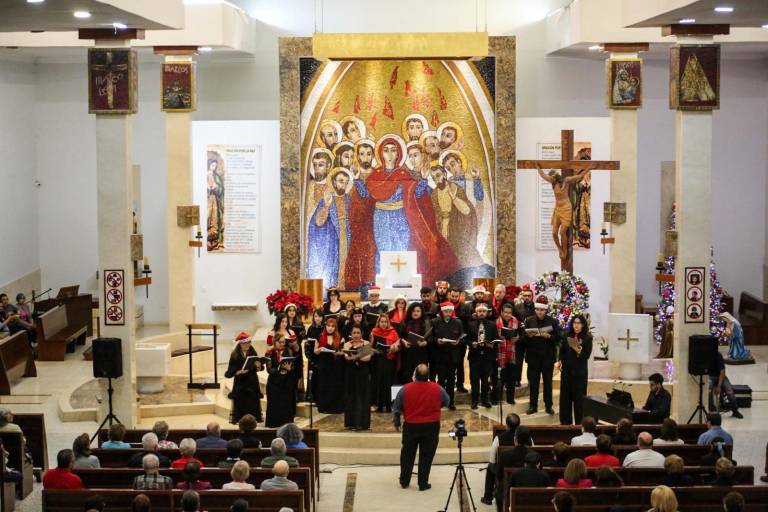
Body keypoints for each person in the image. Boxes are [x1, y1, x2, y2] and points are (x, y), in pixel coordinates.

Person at [392, 364, 449, 491]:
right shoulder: (437, 388)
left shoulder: (405, 389)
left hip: (411, 426)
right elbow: (447, 401)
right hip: (432, 426)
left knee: (407, 454)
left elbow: (397, 408)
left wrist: (397, 422)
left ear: (415, 375)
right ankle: (423, 483)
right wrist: (435, 407)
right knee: (427, 455)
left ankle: (404, 481)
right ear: (428, 376)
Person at [523, 296, 560, 415]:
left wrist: (550, 337)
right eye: (538, 309)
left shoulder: (553, 321)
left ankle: (548, 406)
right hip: (533, 356)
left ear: (546, 310)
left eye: (542, 310)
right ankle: (533, 406)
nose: (539, 312)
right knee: (533, 383)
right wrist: (528, 336)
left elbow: (559, 337)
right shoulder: (529, 320)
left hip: (547, 357)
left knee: (548, 383)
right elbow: (524, 339)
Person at [429, 301, 465, 410]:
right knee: (440, 380)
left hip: (452, 356)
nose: (448, 313)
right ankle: (440, 401)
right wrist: (437, 340)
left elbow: (463, 338)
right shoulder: (435, 322)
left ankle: (451, 401)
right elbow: (430, 338)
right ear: (442, 311)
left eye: (450, 311)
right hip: (440, 355)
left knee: (451, 380)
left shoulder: (458, 322)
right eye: (446, 311)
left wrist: (458, 342)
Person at [558, 314, 592, 424]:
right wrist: (559, 360)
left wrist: (578, 351)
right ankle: (565, 423)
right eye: (574, 323)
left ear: (583, 325)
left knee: (579, 400)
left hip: (579, 374)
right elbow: (562, 350)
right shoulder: (567, 335)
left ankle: (579, 424)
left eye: (578, 323)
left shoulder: (587, 337)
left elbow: (586, 355)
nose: (576, 326)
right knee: (565, 399)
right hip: (567, 372)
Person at [224, 331, 264, 424]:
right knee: (241, 405)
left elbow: (259, 368)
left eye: (249, 343)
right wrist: (238, 372)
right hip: (240, 384)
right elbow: (229, 373)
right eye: (245, 343)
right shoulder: (235, 355)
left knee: (252, 405)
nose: (247, 345)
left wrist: (258, 366)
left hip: (252, 383)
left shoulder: (252, 351)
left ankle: (251, 423)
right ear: (240, 344)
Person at [481, 412, 521, 505]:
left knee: (490, 466)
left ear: (507, 425)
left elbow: (492, 459)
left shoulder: (499, 438)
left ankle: (488, 497)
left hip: (503, 470)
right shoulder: (526, 435)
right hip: (522, 467)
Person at [467, 303, 499, 409]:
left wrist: (491, 344)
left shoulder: (492, 325)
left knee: (485, 379)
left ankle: (485, 400)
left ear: (487, 313)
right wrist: (472, 343)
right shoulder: (470, 324)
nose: (481, 313)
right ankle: (475, 401)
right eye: (479, 311)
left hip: (487, 356)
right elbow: (466, 339)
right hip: (474, 356)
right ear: (476, 312)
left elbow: (496, 340)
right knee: (474, 379)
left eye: (483, 311)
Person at [495, 426, 534, 507]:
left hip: (509, 488)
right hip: (531, 490)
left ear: (515, 439)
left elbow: (499, 476)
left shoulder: (504, 455)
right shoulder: (533, 454)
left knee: (498, 490)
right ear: (528, 440)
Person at [265, 334, 298, 428]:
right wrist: (279, 368)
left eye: (283, 342)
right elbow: (269, 369)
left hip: (287, 382)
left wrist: (289, 369)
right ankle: (274, 424)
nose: (282, 344)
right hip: (274, 382)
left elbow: (293, 367)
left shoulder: (289, 351)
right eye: (280, 342)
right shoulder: (269, 352)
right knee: (274, 405)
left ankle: (286, 425)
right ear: (274, 342)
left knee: (287, 404)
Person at [343, 325, 372, 430]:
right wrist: (359, 355)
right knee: (351, 396)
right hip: (351, 373)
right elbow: (346, 357)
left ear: (361, 333)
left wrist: (354, 356)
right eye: (354, 333)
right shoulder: (347, 344)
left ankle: (362, 423)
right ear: (351, 334)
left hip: (362, 373)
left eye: (358, 333)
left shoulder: (366, 343)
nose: (356, 335)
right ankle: (351, 423)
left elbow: (368, 358)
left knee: (362, 396)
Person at [314, 316, 346, 414]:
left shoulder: (340, 337)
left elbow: (344, 352)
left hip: (335, 364)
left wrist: (338, 353)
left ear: (335, 327)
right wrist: (319, 350)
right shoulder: (320, 336)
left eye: (333, 326)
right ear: (326, 326)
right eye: (328, 326)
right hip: (324, 365)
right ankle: (324, 407)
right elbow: (315, 351)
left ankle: (335, 407)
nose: (330, 328)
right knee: (324, 386)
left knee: (335, 386)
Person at [370, 313, 401, 413]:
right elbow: (369, 348)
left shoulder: (393, 332)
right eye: (382, 322)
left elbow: (398, 346)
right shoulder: (374, 332)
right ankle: (379, 405)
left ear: (388, 322)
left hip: (389, 361)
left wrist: (393, 348)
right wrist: (375, 351)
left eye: (386, 322)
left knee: (388, 382)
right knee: (378, 382)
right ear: (378, 322)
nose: (384, 324)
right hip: (377, 360)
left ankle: (388, 405)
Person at [494, 302, 519, 405]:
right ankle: (497, 398)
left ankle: (510, 399)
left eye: (509, 313)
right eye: (505, 312)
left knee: (511, 378)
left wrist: (516, 338)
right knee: (500, 378)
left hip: (511, 352)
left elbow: (518, 335)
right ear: (501, 312)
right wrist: (499, 337)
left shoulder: (515, 321)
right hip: (499, 352)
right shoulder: (496, 322)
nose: (507, 315)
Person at [398, 302, 429, 383]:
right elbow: (399, 336)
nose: (415, 313)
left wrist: (425, 343)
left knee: (421, 375)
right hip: (407, 352)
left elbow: (430, 338)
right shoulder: (404, 322)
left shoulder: (426, 323)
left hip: (421, 353)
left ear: (421, 312)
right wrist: (403, 341)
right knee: (407, 375)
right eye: (413, 311)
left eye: (418, 311)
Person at [708, 350, 744, 418]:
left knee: (730, 392)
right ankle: (712, 410)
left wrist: (719, 386)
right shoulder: (704, 355)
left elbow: (722, 372)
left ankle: (735, 411)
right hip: (710, 376)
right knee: (708, 391)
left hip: (721, 376)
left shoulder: (718, 355)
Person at [304, 308, 324, 403]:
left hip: (322, 357)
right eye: (316, 316)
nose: (318, 318)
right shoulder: (311, 329)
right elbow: (307, 344)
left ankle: (321, 397)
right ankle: (312, 397)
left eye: (319, 316)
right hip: (313, 356)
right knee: (313, 377)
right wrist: (308, 355)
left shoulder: (325, 328)